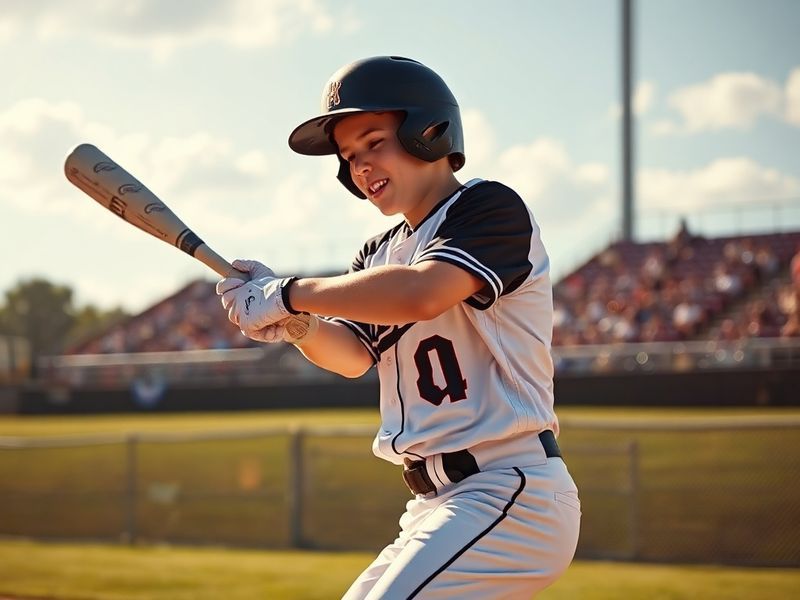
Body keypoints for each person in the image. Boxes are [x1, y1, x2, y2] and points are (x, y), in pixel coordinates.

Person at [217, 56, 580, 599]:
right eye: (349, 156)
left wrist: (289, 292)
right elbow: (354, 355)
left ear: (427, 131)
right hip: (436, 505)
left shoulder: (487, 207)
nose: (360, 165)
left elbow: (422, 293)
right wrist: (295, 325)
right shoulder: (378, 254)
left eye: (374, 141)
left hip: (509, 489)